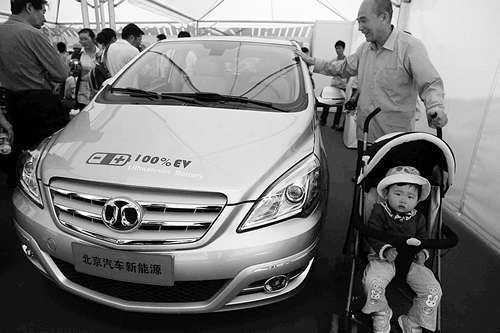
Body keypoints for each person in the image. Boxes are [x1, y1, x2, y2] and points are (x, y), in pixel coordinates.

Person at [296, 0, 448, 144]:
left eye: (363, 20)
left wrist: (434, 107)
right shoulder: (364, 49)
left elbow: (430, 84)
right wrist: (313, 62)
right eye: (358, 22)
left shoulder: (410, 47)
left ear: (383, 17)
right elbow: (342, 68)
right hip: (364, 136)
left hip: (393, 141)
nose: (360, 27)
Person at [362, 166, 441, 333]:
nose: (403, 200)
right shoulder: (379, 211)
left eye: (410, 196)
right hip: (382, 258)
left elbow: (424, 239)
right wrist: (385, 249)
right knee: (373, 284)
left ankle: (413, 322)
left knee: (433, 290)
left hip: (411, 261)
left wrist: (422, 253)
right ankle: (381, 312)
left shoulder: (419, 218)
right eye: (398, 194)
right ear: (386, 193)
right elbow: (372, 234)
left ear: (418, 199)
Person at [0, 0, 69, 187]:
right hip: (39, 107)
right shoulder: (32, 34)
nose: (45, 18)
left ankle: (21, 194)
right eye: (42, 11)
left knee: (19, 155)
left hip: (11, 103)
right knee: (48, 157)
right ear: (29, 7)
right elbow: (62, 73)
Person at [319, 40, 350, 129]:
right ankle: (323, 120)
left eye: (339, 48)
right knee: (327, 103)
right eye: (336, 48)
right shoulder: (333, 60)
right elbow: (329, 70)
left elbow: (349, 73)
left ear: (343, 49)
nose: (337, 50)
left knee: (339, 106)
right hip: (334, 85)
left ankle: (335, 123)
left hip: (343, 86)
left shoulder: (347, 60)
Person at [76, 28, 98, 109]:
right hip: (83, 91)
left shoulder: (101, 53)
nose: (83, 42)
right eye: (81, 39)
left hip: (97, 89)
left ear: (93, 38)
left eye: (85, 39)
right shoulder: (78, 54)